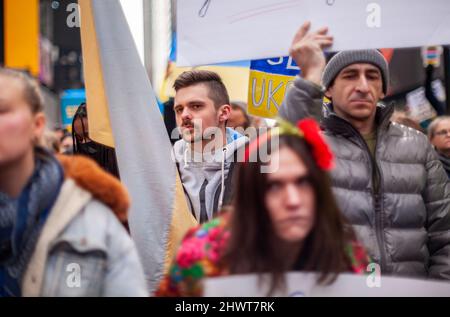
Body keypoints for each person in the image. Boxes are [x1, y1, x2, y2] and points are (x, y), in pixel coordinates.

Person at [279, 21, 450, 279]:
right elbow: (283, 143)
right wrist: (310, 76)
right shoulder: (312, 143)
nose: (362, 86)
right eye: (349, 75)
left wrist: (438, 288)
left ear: (383, 88)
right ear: (327, 89)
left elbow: (444, 233)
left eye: (372, 76)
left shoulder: (417, 144)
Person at [157, 118, 370, 297]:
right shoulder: (202, 253)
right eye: (274, 186)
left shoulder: (346, 252)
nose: (293, 200)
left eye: (303, 182)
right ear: (252, 194)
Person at [0, 68, 147, 296]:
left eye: (2, 109)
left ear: (37, 124)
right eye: (81, 137)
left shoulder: (95, 223)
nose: (86, 143)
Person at [172, 70, 248, 223]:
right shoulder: (167, 166)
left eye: (196, 106)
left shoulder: (253, 164)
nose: (185, 115)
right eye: (179, 109)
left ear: (224, 113)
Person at [72, 103, 120, 179]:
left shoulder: (121, 161)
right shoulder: (72, 164)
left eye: (89, 136)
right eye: (79, 138)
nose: (84, 143)